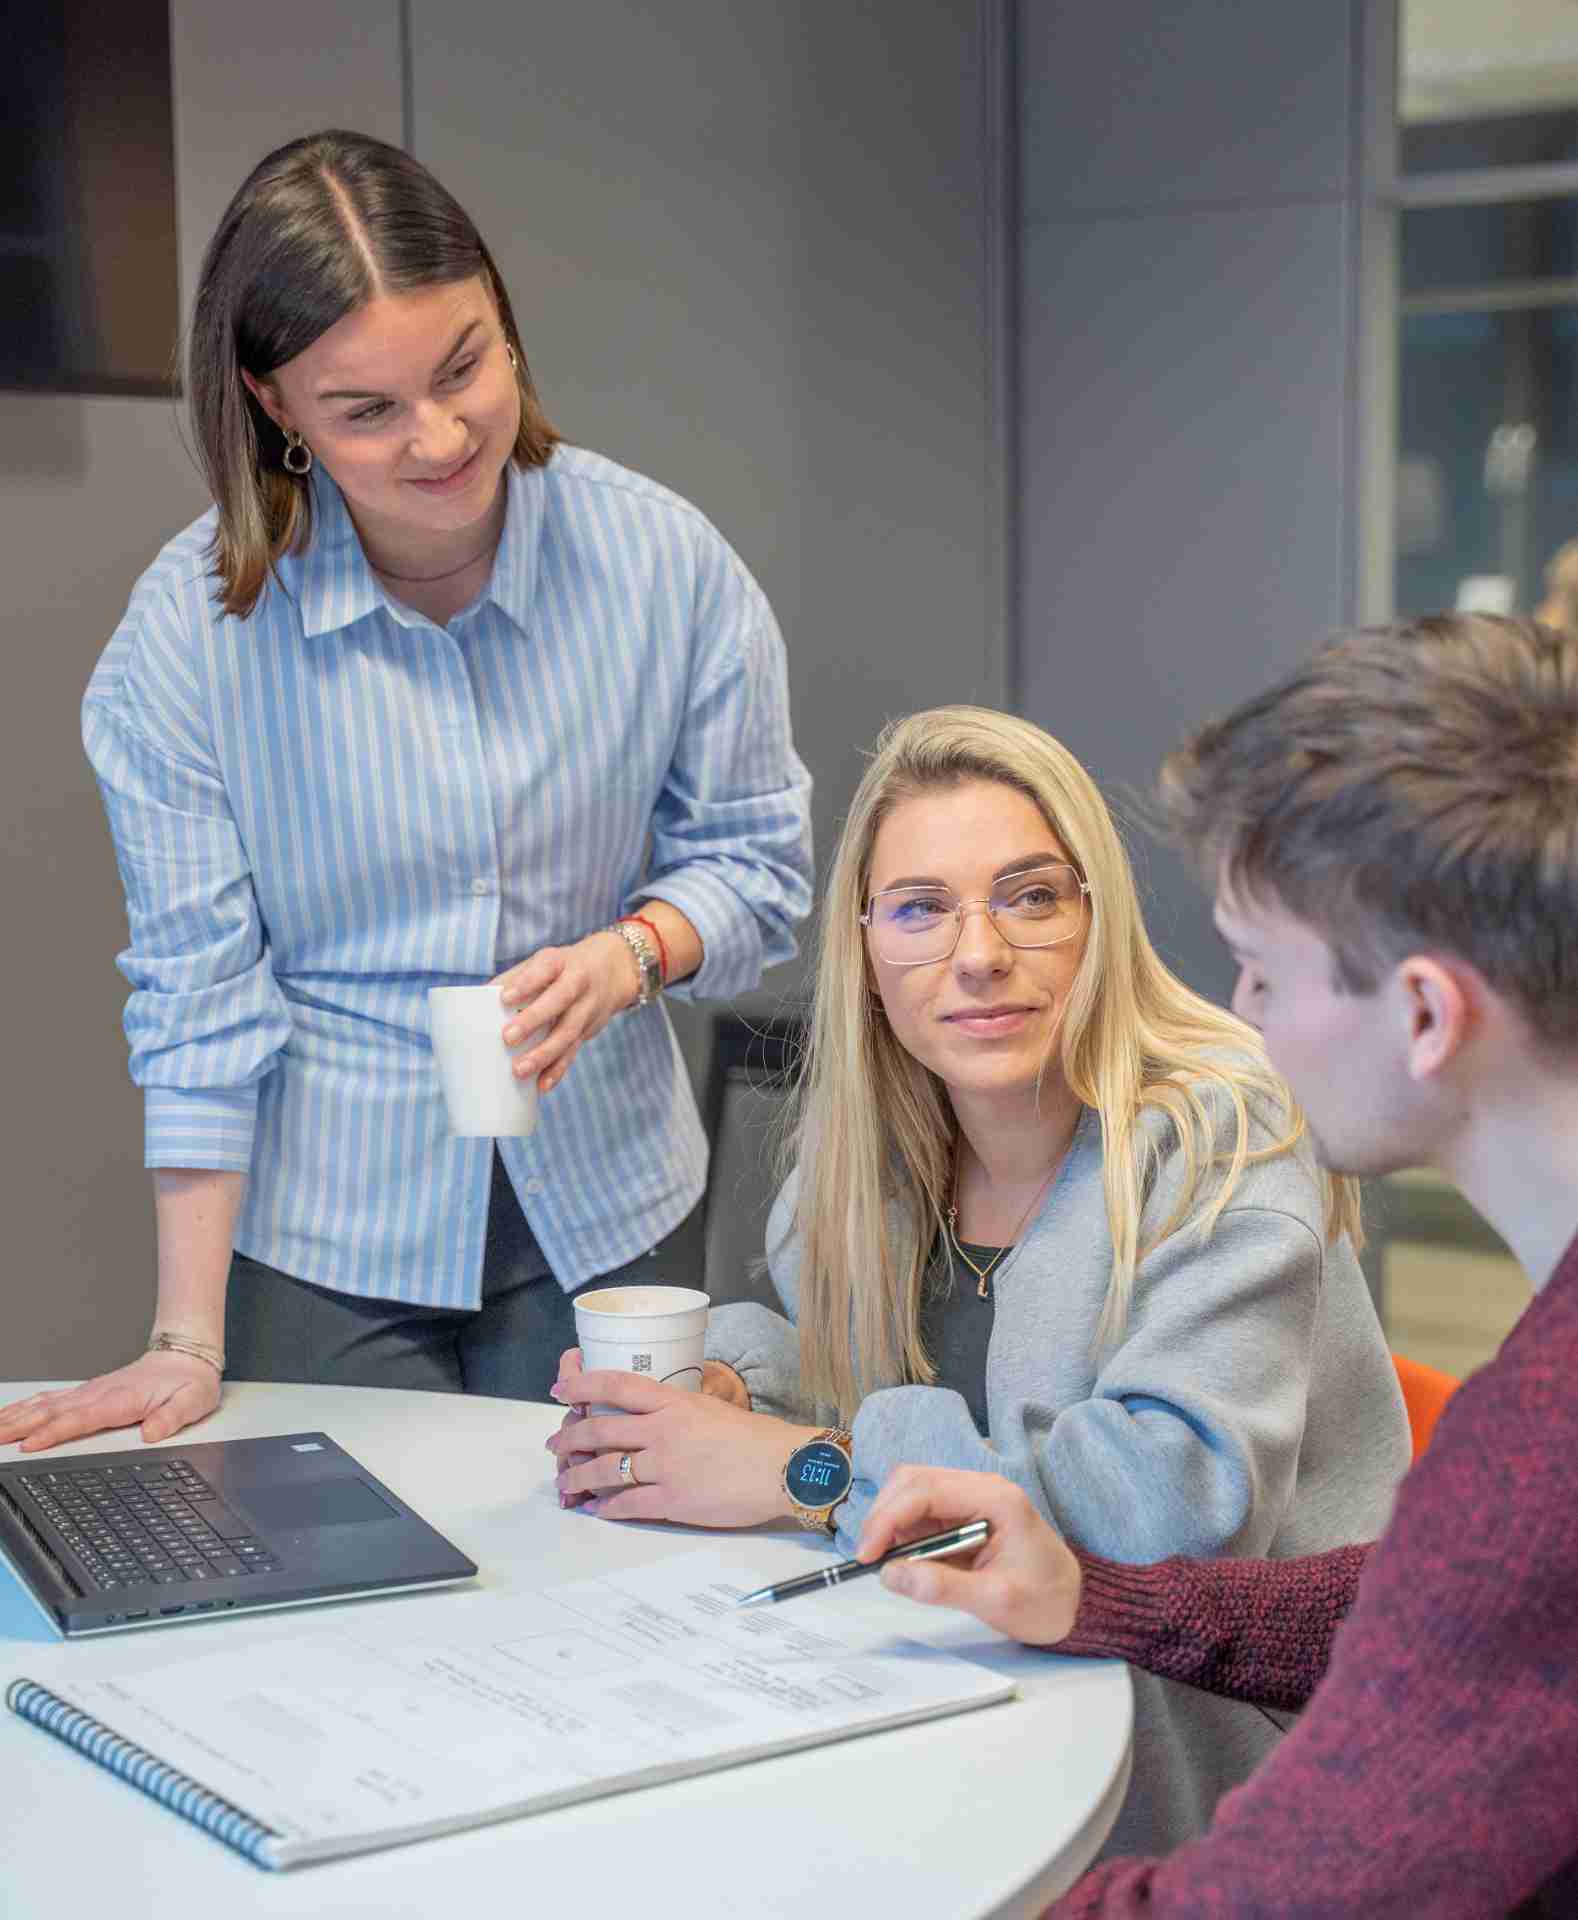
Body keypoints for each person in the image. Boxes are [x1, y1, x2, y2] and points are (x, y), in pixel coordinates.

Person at [0, 130, 811, 1453]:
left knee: (609, 1583)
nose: (440, 439)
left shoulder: (662, 567)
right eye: (365, 410)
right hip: (325, 1229)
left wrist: (630, 954)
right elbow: (197, 996)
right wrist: (182, 1340)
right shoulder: (191, 633)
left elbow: (757, 860)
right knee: (347, 1606)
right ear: (273, 406)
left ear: (503, 323)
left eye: (463, 368)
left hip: (608, 1196)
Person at [548, 704, 1409, 1858]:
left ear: (1096, 919)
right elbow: (867, 1372)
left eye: (1031, 896)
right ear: (865, 946)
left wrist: (806, 1475)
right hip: (983, 1688)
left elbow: (1165, 1518)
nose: (979, 953)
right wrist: (735, 1385)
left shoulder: (1221, 1134)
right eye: (919, 909)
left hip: (1214, 1743)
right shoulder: (863, 1159)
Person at [856, 615, 1578, 1916]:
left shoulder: (1537, 1452)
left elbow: (1262, 1903)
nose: (1236, 1015)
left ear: (1422, 1013)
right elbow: (1424, 1603)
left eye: (1259, 968)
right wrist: (1103, 1602)